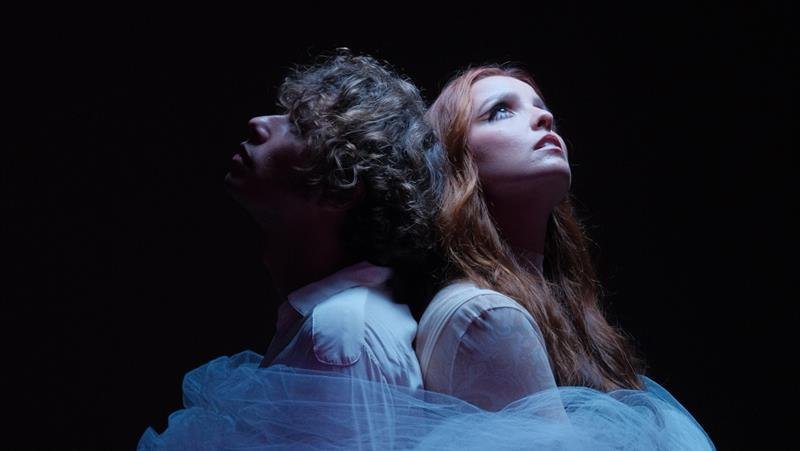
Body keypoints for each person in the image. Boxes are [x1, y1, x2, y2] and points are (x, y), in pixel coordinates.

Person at [137, 50, 443, 450]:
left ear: (343, 185)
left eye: (299, 126)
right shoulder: (332, 320)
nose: (259, 123)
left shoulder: (341, 333)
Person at [415, 65, 716, 448]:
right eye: (500, 111)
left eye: (542, 108)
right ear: (454, 158)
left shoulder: (556, 306)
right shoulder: (488, 317)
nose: (544, 118)